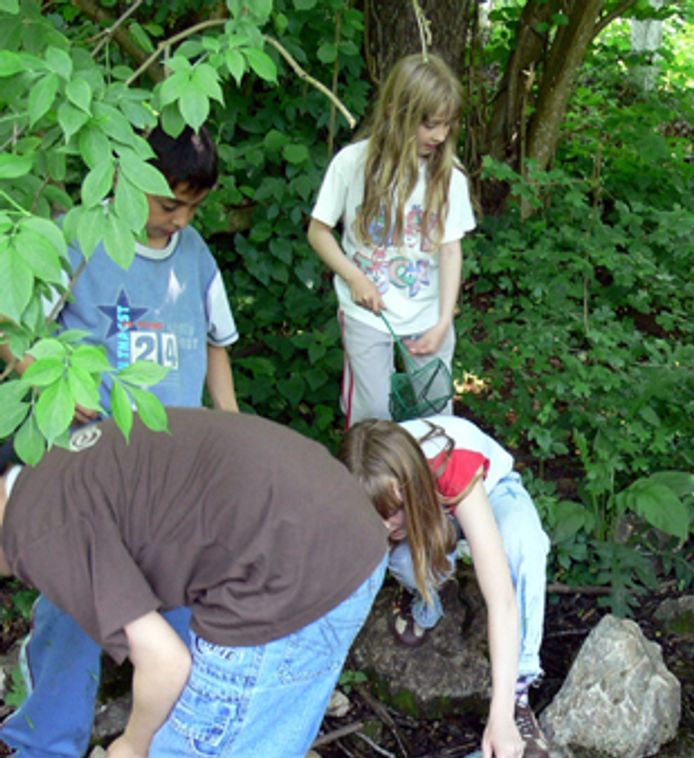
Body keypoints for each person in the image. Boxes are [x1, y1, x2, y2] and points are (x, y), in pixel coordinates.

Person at [0, 124, 240, 757]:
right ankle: (43, 741)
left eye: (194, 207)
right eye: (169, 204)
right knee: (77, 608)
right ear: (129, 180)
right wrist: (46, 378)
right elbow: (14, 330)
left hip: (173, 474)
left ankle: (163, 740)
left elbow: (217, 345)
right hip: (90, 468)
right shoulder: (79, 242)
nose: (181, 220)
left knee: (184, 603)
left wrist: (231, 426)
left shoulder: (196, 259)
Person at [0, 409, 390, 756]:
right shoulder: (57, 465)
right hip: (354, 540)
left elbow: (165, 662)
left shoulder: (37, 529)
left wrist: (133, 744)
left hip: (281, 574)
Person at [340, 414, 551, 758]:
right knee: (407, 562)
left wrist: (499, 716)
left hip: (489, 492)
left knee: (525, 545)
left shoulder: (452, 462)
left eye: (391, 511)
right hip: (428, 514)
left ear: (410, 488)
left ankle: (519, 695)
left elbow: (503, 602)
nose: (382, 525)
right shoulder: (357, 483)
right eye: (372, 514)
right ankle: (427, 602)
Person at [309, 53, 476, 426]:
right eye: (430, 124)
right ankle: (366, 486)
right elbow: (318, 232)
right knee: (374, 421)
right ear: (397, 112)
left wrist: (444, 320)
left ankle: (429, 485)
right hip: (368, 316)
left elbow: (451, 250)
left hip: (428, 317)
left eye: (447, 124)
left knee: (438, 419)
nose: (440, 136)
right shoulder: (352, 164)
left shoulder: (450, 177)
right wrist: (355, 277)